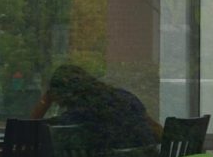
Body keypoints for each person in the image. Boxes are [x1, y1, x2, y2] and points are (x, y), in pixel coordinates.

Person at [31, 63, 161, 150]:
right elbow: (157, 132)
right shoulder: (125, 97)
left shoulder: (78, 115)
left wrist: (46, 100)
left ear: (60, 94)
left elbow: (30, 132)